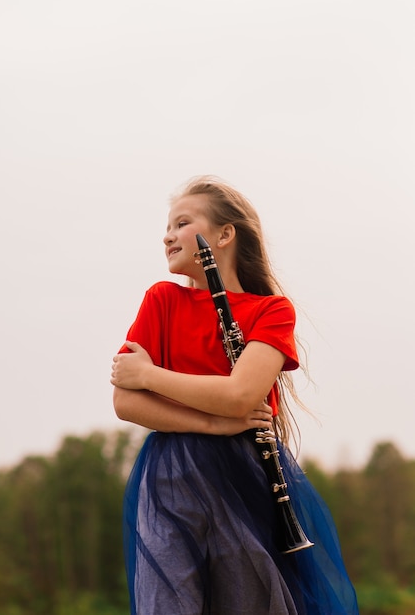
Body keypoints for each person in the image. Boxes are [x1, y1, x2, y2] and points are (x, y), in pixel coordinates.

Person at [110, 176, 359, 615]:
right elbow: (125, 403)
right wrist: (210, 422)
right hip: (171, 473)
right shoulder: (161, 300)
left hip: (245, 471)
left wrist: (150, 375)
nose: (167, 235)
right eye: (166, 226)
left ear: (224, 235)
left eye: (182, 223)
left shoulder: (271, 311)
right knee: (166, 602)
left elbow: (241, 396)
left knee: (250, 599)